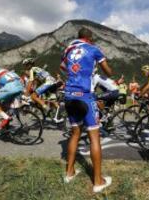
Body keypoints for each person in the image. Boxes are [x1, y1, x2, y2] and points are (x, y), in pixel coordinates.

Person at [60, 27, 112, 193]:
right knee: (94, 136)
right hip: (85, 96)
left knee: (75, 133)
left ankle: (69, 173)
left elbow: (62, 67)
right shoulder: (93, 49)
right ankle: (98, 181)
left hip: (69, 94)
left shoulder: (68, 49)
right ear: (89, 38)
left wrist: (74, 73)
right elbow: (108, 71)